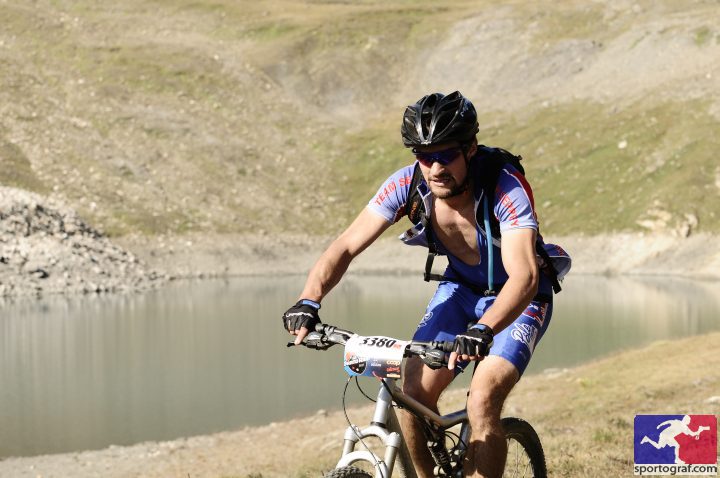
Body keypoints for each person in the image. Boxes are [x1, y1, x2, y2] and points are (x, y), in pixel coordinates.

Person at [282, 91, 570, 478]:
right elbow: (346, 246)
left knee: (482, 400)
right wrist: (308, 301)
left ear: (470, 148)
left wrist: (484, 329)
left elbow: (525, 276)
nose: (435, 167)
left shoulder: (504, 186)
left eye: (446, 154)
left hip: (520, 299)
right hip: (461, 288)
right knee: (412, 392)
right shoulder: (407, 184)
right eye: (423, 155)